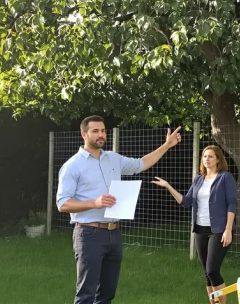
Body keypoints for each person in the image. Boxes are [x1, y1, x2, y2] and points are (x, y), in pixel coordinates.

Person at [56, 115, 182, 304]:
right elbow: (62, 204)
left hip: (114, 234)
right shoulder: (72, 166)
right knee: (86, 295)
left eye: (103, 130)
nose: (101, 134)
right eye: (95, 131)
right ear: (84, 134)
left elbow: (142, 164)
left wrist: (166, 146)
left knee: (107, 294)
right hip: (88, 234)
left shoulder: (113, 159)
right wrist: (94, 203)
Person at [151, 145, 237, 304]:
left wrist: (228, 229)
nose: (207, 159)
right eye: (205, 156)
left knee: (212, 271)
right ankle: (213, 302)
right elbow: (186, 201)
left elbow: (231, 204)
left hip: (218, 230)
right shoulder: (198, 179)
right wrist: (168, 186)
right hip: (200, 230)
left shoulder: (225, 177)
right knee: (206, 273)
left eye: (211, 156)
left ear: (218, 159)